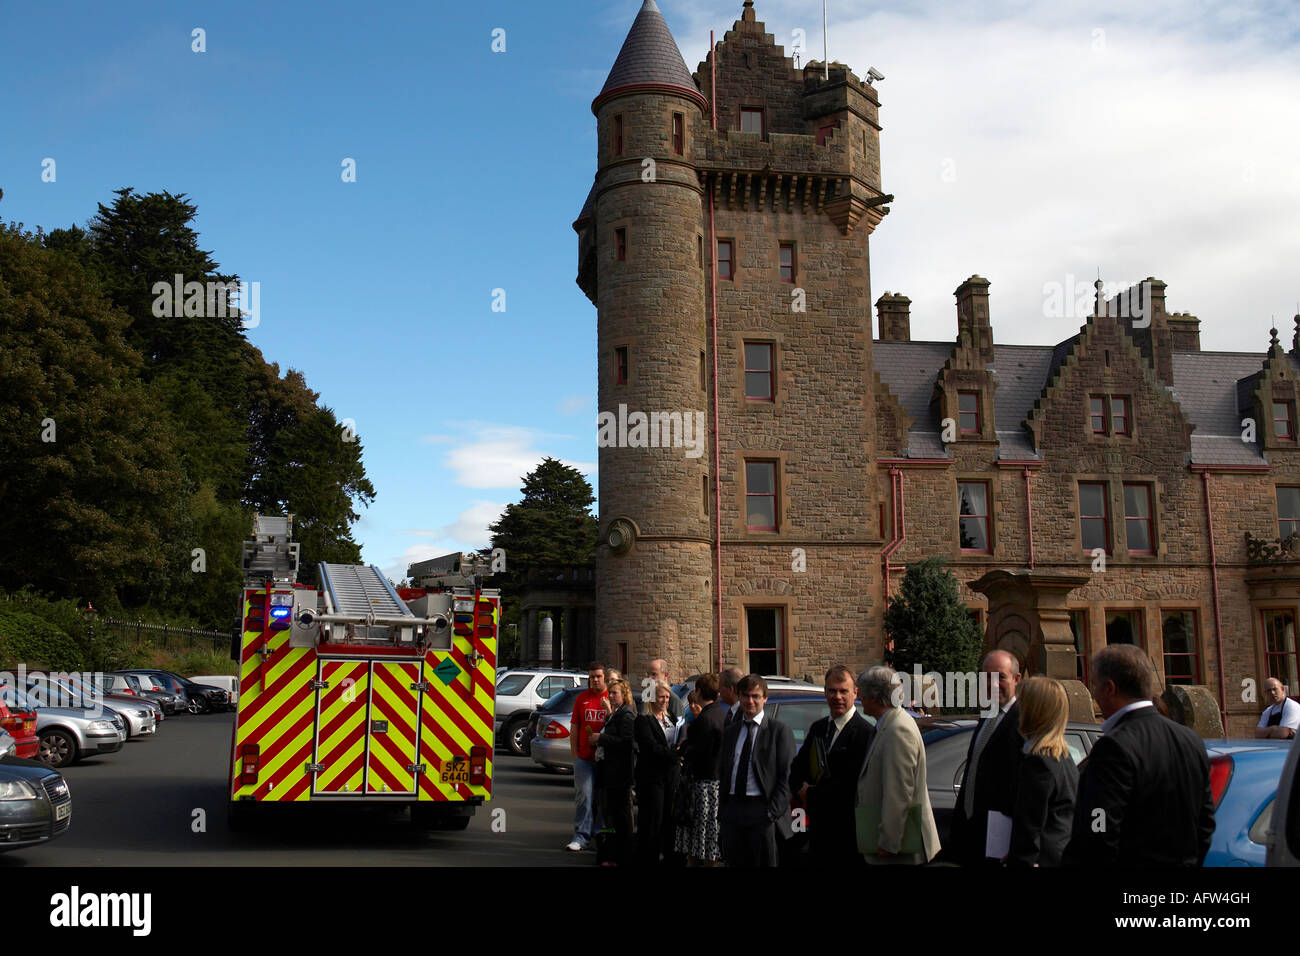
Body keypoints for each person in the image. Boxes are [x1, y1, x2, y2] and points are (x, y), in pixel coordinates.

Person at [1063, 644, 1215, 866]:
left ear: (1109, 688)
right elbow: (1205, 822)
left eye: (1094, 685)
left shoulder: (1114, 746)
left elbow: (1099, 829)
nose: (1094, 694)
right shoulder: (1191, 740)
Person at [788, 664, 874, 866]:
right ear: (825, 692)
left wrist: (810, 795)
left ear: (855, 693)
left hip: (847, 835)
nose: (837, 697)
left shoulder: (864, 733)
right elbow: (797, 768)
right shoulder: (818, 728)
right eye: (832, 691)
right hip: (818, 832)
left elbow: (849, 785)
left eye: (843, 691)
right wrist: (800, 787)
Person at [855, 665, 940, 865]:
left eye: (862, 695)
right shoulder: (889, 724)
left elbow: (899, 792)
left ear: (874, 697)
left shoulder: (898, 730)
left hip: (901, 851)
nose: (859, 700)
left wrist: (888, 841)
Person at [948, 649, 1024, 866]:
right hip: (972, 834)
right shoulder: (987, 716)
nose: (992, 684)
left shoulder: (1023, 722)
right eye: (986, 677)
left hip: (1001, 842)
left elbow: (1026, 789)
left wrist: (1020, 843)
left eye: (1000, 677)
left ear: (1016, 679)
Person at [718, 674, 795, 867]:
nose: (750, 701)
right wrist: (725, 810)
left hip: (762, 812)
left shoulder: (779, 731)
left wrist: (771, 813)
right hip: (734, 811)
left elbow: (787, 777)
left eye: (755, 696)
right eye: (745, 696)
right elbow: (725, 771)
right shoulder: (731, 732)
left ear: (765, 698)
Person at [1006, 676, 1078, 867]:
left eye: (1022, 703)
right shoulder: (1063, 756)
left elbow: (1030, 828)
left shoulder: (1039, 761)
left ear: (1033, 710)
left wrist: (1020, 860)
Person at [674, 673, 725, 866]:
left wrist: (683, 751)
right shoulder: (721, 713)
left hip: (702, 786)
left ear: (699, 691)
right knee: (710, 840)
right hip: (716, 784)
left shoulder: (705, 719)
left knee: (696, 841)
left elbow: (698, 752)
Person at [634, 679, 681, 865]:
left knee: (668, 819)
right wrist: (675, 755)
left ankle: (667, 855)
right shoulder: (643, 720)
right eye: (661, 697)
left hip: (670, 776)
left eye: (667, 697)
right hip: (651, 776)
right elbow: (650, 747)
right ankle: (648, 857)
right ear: (653, 698)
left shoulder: (671, 719)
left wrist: (679, 752)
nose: (664, 700)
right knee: (653, 818)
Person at [565, 662, 609, 852]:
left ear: (604, 677)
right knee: (584, 796)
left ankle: (601, 834)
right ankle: (581, 836)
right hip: (584, 758)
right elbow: (574, 728)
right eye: (592, 677)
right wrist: (575, 755)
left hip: (606, 760)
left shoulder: (611, 697)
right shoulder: (582, 698)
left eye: (598, 676)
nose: (595, 680)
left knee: (603, 798)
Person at [594, 678, 637, 866]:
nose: (611, 696)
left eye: (615, 693)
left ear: (624, 695)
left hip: (620, 774)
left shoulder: (626, 715)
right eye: (610, 693)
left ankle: (622, 856)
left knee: (621, 817)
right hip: (610, 772)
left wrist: (602, 738)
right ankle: (613, 854)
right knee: (611, 815)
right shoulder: (616, 713)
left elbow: (627, 743)